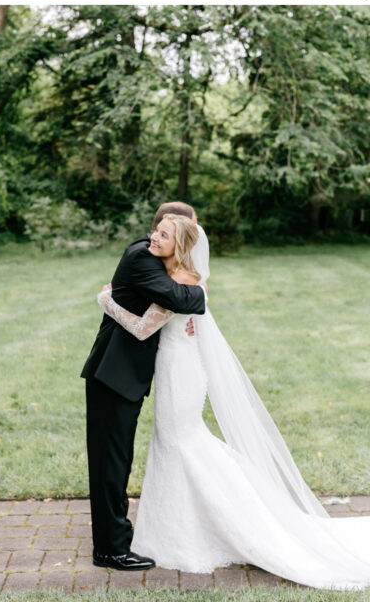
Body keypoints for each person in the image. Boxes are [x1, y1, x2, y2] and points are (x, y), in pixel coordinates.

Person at [97, 216, 370, 588]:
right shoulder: (176, 275)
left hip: (180, 373)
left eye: (163, 234)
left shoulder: (181, 281)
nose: (152, 237)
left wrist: (106, 299)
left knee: (182, 444)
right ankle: (177, 528)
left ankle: (221, 524)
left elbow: (145, 327)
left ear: (180, 246)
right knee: (175, 446)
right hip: (177, 367)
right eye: (155, 230)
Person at [80, 202, 206, 571]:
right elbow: (181, 299)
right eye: (170, 230)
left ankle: (117, 533)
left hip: (125, 375)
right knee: (109, 463)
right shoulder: (144, 260)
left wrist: (107, 300)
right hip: (113, 373)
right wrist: (204, 290)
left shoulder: (156, 259)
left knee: (116, 460)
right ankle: (110, 549)